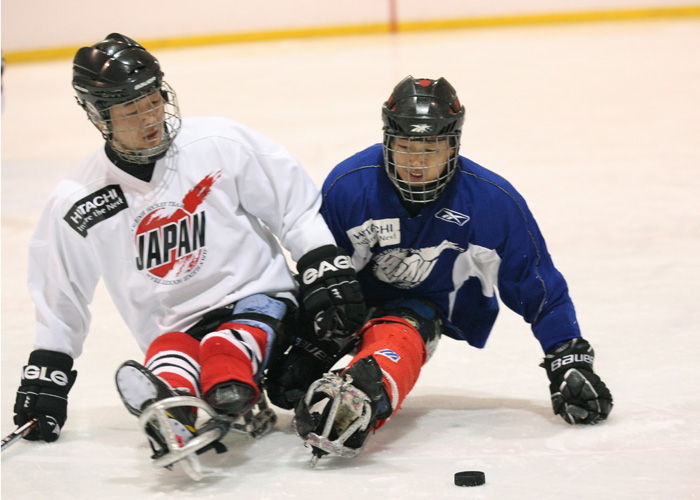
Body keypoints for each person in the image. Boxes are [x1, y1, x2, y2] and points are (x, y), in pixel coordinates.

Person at [11, 33, 366, 479]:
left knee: (226, 343)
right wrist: (49, 367)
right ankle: (174, 412)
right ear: (100, 117)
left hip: (259, 301)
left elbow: (292, 204)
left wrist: (320, 260)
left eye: (153, 100)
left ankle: (219, 388)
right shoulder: (80, 199)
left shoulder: (218, 143)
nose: (149, 117)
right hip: (178, 327)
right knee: (167, 353)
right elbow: (60, 288)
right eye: (130, 110)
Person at [267, 76, 613, 466]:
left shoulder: (491, 201)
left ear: (454, 146)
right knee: (287, 386)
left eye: (431, 149)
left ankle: (365, 396)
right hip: (350, 300)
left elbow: (536, 282)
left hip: (419, 307)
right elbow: (321, 263)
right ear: (387, 141)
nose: (417, 162)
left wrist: (567, 358)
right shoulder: (349, 185)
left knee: (403, 332)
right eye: (405, 148)